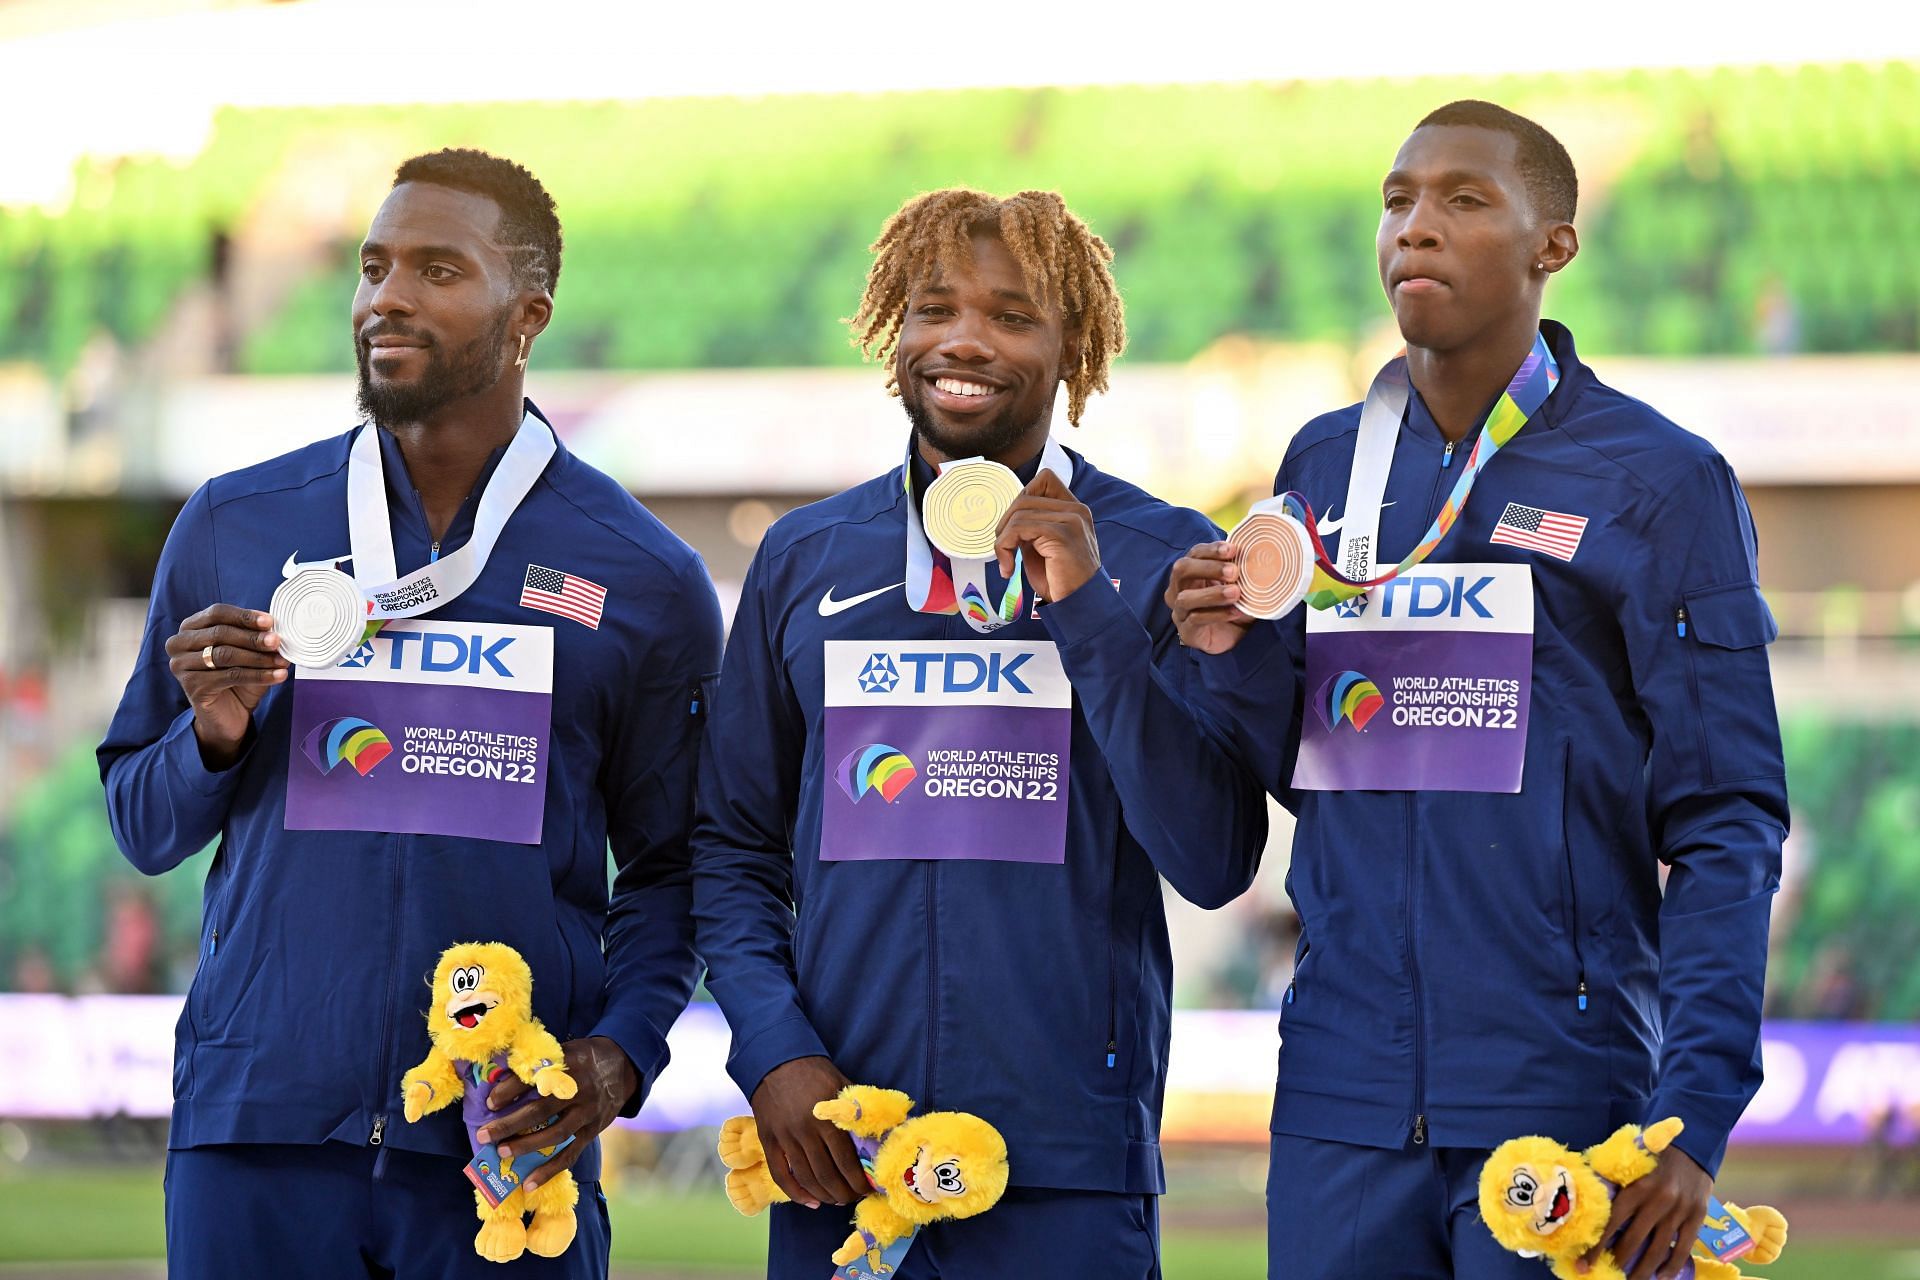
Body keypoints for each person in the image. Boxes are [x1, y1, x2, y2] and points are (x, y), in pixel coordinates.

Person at [1167, 101, 1788, 1280]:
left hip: (1559, 1088)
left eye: (1463, 200)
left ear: (1553, 245)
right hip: (1339, 1097)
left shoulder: (1662, 483)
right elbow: (1309, 769)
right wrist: (1231, 652)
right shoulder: (1320, 466)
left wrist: (1694, 1115)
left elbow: (1728, 819)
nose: (1416, 228)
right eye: (1398, 201)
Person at [97, 148, 721, 1278]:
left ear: (528, 314)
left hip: (506, 1147)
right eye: (374, 266)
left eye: (437, 268)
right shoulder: (235, 520)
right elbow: (143, 823)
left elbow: (682, 867)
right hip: (259, 1130)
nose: (386, 295)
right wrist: (214, 734)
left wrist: (620, 1055)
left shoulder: (642, 573)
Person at [691, 187, 1266, 1278]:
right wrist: (773, 1051)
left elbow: (1212, 857)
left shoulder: (1162, 551)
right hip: (843, 1147)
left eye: (1011, 315)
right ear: (892, 332)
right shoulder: (806, 557)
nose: (963, 340)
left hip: (1066, 1164)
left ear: (1074, 346)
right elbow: (730, 847)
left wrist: (1091, 608)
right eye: (932, 307)